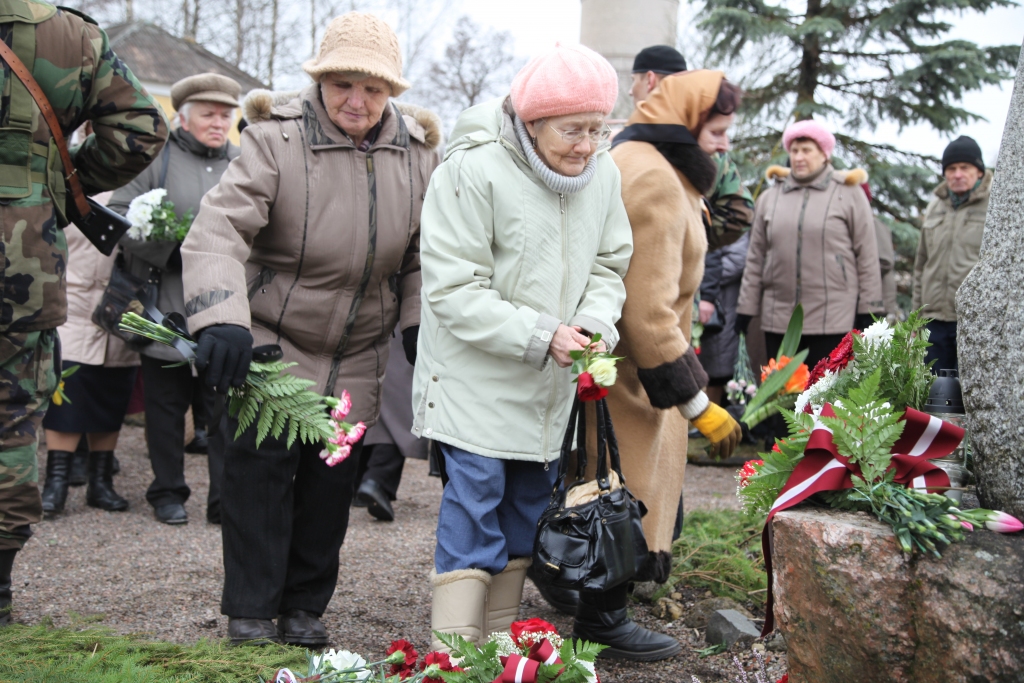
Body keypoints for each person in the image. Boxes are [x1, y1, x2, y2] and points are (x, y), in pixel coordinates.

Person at [180, 12, 442, 646]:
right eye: (342, 84)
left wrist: (417, 323)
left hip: (357, 352)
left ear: (393, 93)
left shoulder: (418, 153)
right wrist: (221, 318)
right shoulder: (275, 140)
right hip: (273, 338)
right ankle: (249, 608)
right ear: (320, 81)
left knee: (329, 489)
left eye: (374, 88)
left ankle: (303, 607)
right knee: (258, 477)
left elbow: (420, 254)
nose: (358, 101)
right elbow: (219, 230)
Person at [413, 43, 643, 657]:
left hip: (549, 383)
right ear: (532, 121)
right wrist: (543, 334)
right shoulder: (472, 168)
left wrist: (594, 324)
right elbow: (453, 288)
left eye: (598, 129)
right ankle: (456, 655)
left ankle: (503, 650)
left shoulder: (604, 175)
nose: (586, 145)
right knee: (474, 506)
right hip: (474, 378)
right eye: (572, 130)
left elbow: (609, 264)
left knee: (524, 512)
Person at [0, 0, 168, 627]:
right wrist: (54, 190)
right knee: (11, 419)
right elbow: (141, 128)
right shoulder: (68, 34)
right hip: (21, 263)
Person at [596, 71, 744, 649]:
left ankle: (587, 597)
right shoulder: (656, 179)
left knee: (607, 487)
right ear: (686, 121)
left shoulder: (637, 158)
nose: (726, 141)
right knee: (621, 494)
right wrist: (697, 402)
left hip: (621, 369)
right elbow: (647, 310)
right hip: (636, 376)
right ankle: (602, 619)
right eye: (719, 129)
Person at [108, 73, 242, 527]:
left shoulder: (243, 163)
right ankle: (167, 492)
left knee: (224, 408)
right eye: (208, 114)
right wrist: (173, 250)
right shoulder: (158, 160)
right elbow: (121, 214)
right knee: (165, 407)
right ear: (183, 118)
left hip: (224, 310)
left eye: (226, 115)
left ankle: (224, 499)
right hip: (163, 305)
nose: (218, 123)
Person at [736, 119, 885, 368]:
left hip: (833, 318)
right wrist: (745, 309)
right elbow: (755, 258)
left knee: (824, 402)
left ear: (824, 154)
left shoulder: (848, 194)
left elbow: (867, 255)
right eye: (794, 150)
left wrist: (870, 309)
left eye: (807, 150)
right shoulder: (770, 198)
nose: (798, 157)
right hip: (779, 319)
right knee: (782, 399)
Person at [40, 184, 136, 515]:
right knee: (65, 396)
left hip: (119, 309)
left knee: (110, 396)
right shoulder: (71, 181)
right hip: (73, 305)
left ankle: (100, 483)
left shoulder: (143, 189)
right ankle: (56, 484)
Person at [912, 136, 991, 372]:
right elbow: (921, 265)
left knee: (968, 397)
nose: (957, 174)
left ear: (978, 171)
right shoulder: (935, 206)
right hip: (932, 319)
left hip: (972, 319)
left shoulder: (994, 205)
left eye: (964, 168)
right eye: (951, 169)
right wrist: (915, 319)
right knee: (931, 395)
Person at [353, 327, 428, 522]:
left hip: (367, 320)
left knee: (372, 401)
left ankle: (359, 481)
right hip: (403, 321)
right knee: (400, 411)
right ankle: (376, 480)